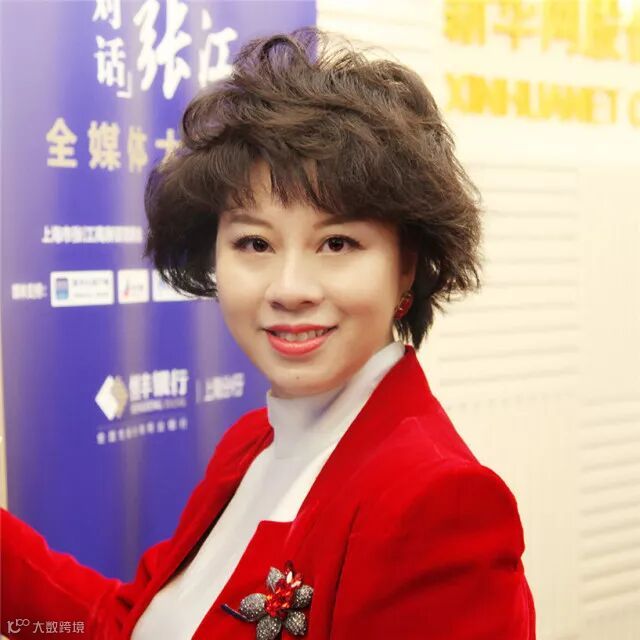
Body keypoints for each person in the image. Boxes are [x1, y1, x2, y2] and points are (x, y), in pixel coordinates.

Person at [1, 28, 536, 640]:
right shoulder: (251, 444)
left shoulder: (439, 504)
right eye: (255, 243)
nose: (289, 288)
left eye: (337, 243)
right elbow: (131, 624)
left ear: (405, 265)